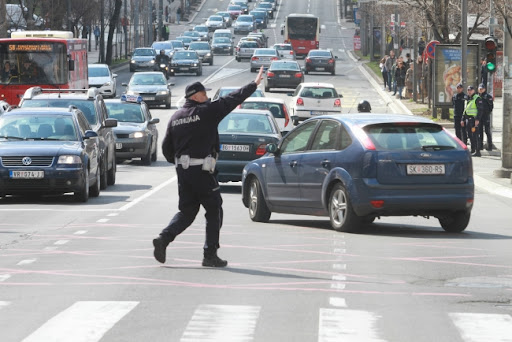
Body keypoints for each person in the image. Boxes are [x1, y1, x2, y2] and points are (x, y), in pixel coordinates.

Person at [153, 67, 265, 267]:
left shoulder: (176, 117)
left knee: (187, 212)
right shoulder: (207, 112)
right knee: (214, 210)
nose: (207, 97)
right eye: (204, 94)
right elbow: (232, 100)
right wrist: (254, 84)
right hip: (203, 172)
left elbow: (166, 148)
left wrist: (181, 164)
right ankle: (209, 254)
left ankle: (164, 238)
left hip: (184, 173)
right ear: (195, 97)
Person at [462, 85, 485, 157]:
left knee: (475, 135)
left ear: (474, 91)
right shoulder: (468, 98)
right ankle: (473, 149)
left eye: (470, 90)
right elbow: (466, 110)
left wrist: (477, 119)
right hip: (468, 119)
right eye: (468, 90)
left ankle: (478, 151)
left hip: (474, 120)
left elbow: (480, 110)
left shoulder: (477, 98)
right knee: (470, 135)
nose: (469, 91)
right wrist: (463, 119)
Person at [477, 83, 493, 151]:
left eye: (482, 89)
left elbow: (491, 107)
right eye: (480, 89)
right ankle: (480, 146)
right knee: (480, 132)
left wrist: (487, 113)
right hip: (479, 117)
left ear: (484, 89)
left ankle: (490, 146)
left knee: (487, 131)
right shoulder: (477, 97)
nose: (481, 90)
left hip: (486, 116)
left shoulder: (488, 96)